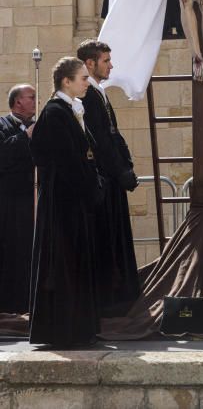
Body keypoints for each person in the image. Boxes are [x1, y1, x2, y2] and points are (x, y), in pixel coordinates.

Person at [29, 58, 101, 348]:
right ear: (66, 82)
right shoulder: (56, 112)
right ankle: (63, 330)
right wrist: (90, 186)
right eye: (83, 78)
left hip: (72, 199)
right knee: (63, 262)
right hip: (63, 202)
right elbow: (68, 159)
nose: (87, 82)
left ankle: (79, 327)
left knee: (74, 260)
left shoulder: (69, 110)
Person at [77, 39, 140, 317]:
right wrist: (118, 171)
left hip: (113, 176)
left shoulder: (98, 92)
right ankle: (109, 299)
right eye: (106, 60)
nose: (111, 65)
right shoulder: (88, 94)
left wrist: (126, 164)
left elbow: (113, 133)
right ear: (90, 63)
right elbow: (100, 140)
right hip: (104, 179)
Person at [0, 84, 35, 314]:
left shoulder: (37, 126)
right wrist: (25, 136)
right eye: (31, 97)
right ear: (17, 102)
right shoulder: (3, 125)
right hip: (9, 203)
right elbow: (4, 154)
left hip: (31, 201)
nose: (35, 100)